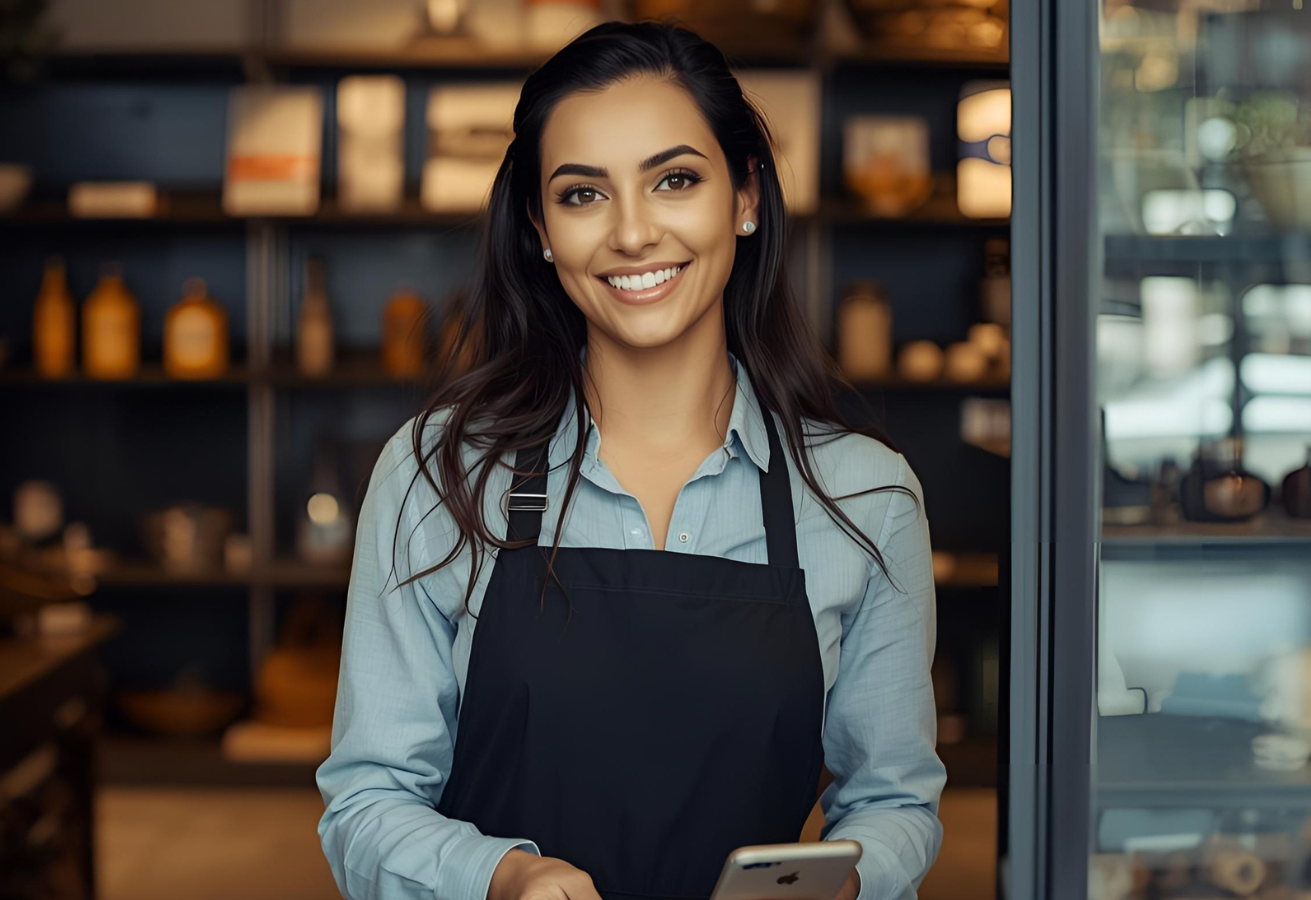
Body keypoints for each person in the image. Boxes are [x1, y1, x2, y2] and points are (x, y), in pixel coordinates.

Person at [316, 22, 944, 900]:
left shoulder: (864, 497)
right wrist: (502, 878)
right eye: (583, 195)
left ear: (746, 197)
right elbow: (366, 801)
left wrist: (839, 885)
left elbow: (893, 802)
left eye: (675, 179)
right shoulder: (440, 472)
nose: (633, 232)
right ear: (539, 228)